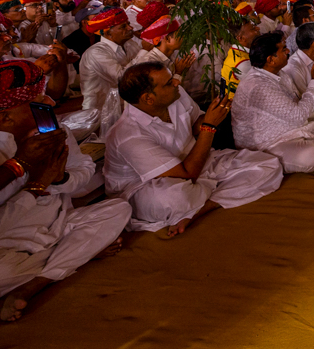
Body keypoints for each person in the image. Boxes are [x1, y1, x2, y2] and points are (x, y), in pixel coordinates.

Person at [0, 61, 131, 321]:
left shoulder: (51, 130)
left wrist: (61, 178)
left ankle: (35, 282)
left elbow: (84, 168)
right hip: (1, 247)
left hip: (58, 224)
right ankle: (75, 255)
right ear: (6, 117)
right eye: (38, 100)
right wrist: (35, 188)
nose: (51, 104)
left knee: (119, 208)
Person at [104, 62, 283, 237]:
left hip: (196, 160)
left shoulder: (176, 94)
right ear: (148, 99)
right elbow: (186, 173)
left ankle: (202, 208)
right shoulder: (128, 135)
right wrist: (209, 127)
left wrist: (216, 112)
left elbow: (196, 122)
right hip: (152, 187)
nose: (177, 82)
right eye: (169, 83)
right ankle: (217, 189)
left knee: (269, 164)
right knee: (175, 199)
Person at [232, 32, 314, 180]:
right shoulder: (258, 85)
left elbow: (306, 108)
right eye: (283, 49)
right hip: (268, 145)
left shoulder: (279, 74)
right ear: (270, 59)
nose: (288, 51)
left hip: (295, 130)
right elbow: (299, 116)